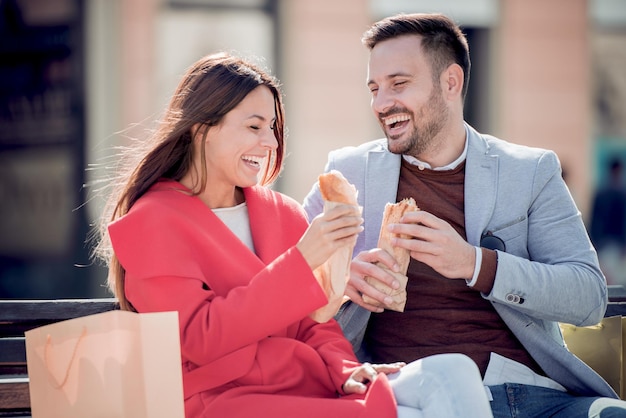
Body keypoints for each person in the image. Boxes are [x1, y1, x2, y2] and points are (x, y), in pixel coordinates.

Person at [91, 52, 493, 418]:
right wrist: (300, 262)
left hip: (308, 385)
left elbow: (313, 325)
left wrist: (346, 370)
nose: (268, 143)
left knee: (454, 371)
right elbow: (198, 337)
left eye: (271, 127)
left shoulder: (281, 213)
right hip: (224, 401)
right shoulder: (153, 221)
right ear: (201, 130)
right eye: (253, 127)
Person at [302, 12, 626, 418]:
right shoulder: (346, 174)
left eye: (399, 84)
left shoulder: (529, 171)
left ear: (450, 82)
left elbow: (588, 296)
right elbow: (285, 275)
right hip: (409, 397)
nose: (382, 103)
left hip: (532, 396)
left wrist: (476, 264)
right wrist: (341, 282)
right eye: (374, 88)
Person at [590, 157, 626, 286]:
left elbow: (594, 220)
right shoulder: (620, 192)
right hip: (614, 241)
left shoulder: (601, 192)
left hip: (604, 241)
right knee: (613, 279)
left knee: (608, 278)